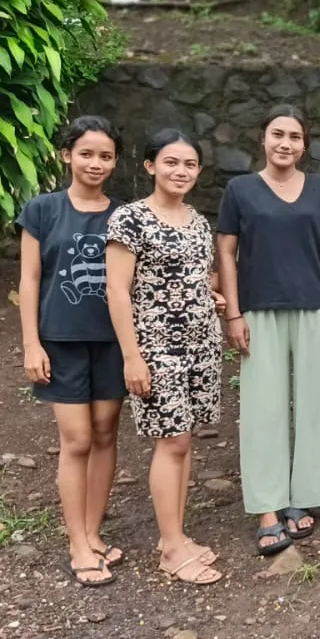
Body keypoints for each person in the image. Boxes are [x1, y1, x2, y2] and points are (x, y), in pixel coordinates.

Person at [216, 106, 320, 556]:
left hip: (316, 307)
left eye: (295, 136)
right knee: (264, 409)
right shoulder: (240, 190)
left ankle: (305, 495)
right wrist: (234, 314)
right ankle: (267, 508)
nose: (285, 143)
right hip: (260, 310)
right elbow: (226, 252)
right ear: (264, 138)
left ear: (304, 145)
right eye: (278, 134)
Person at [105, 130, 225, 585]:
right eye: (171, 162)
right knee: (171, 441)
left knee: (185, 439)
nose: (181, 171)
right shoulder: (130, 219)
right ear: (150, 165)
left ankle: (176, 535)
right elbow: (118, 290)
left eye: (190, 164)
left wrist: (208, 297)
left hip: (201, 343)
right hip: (156, 347)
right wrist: (131, 357)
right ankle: (171, 549)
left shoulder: (198, 221)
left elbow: (197, 276)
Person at [18, 116, 125, 587]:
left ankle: (94, 532)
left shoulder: (124, 215)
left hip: (113, 341)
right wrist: (31, 343)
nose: (95, 163)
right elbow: (29, 280)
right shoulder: (43, 209)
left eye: (105, 156)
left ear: (115, 162)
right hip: (60, 339)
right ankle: (77, 542)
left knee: (105, 432)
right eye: (86, 154)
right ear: (67, 156)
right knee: (77, 439)